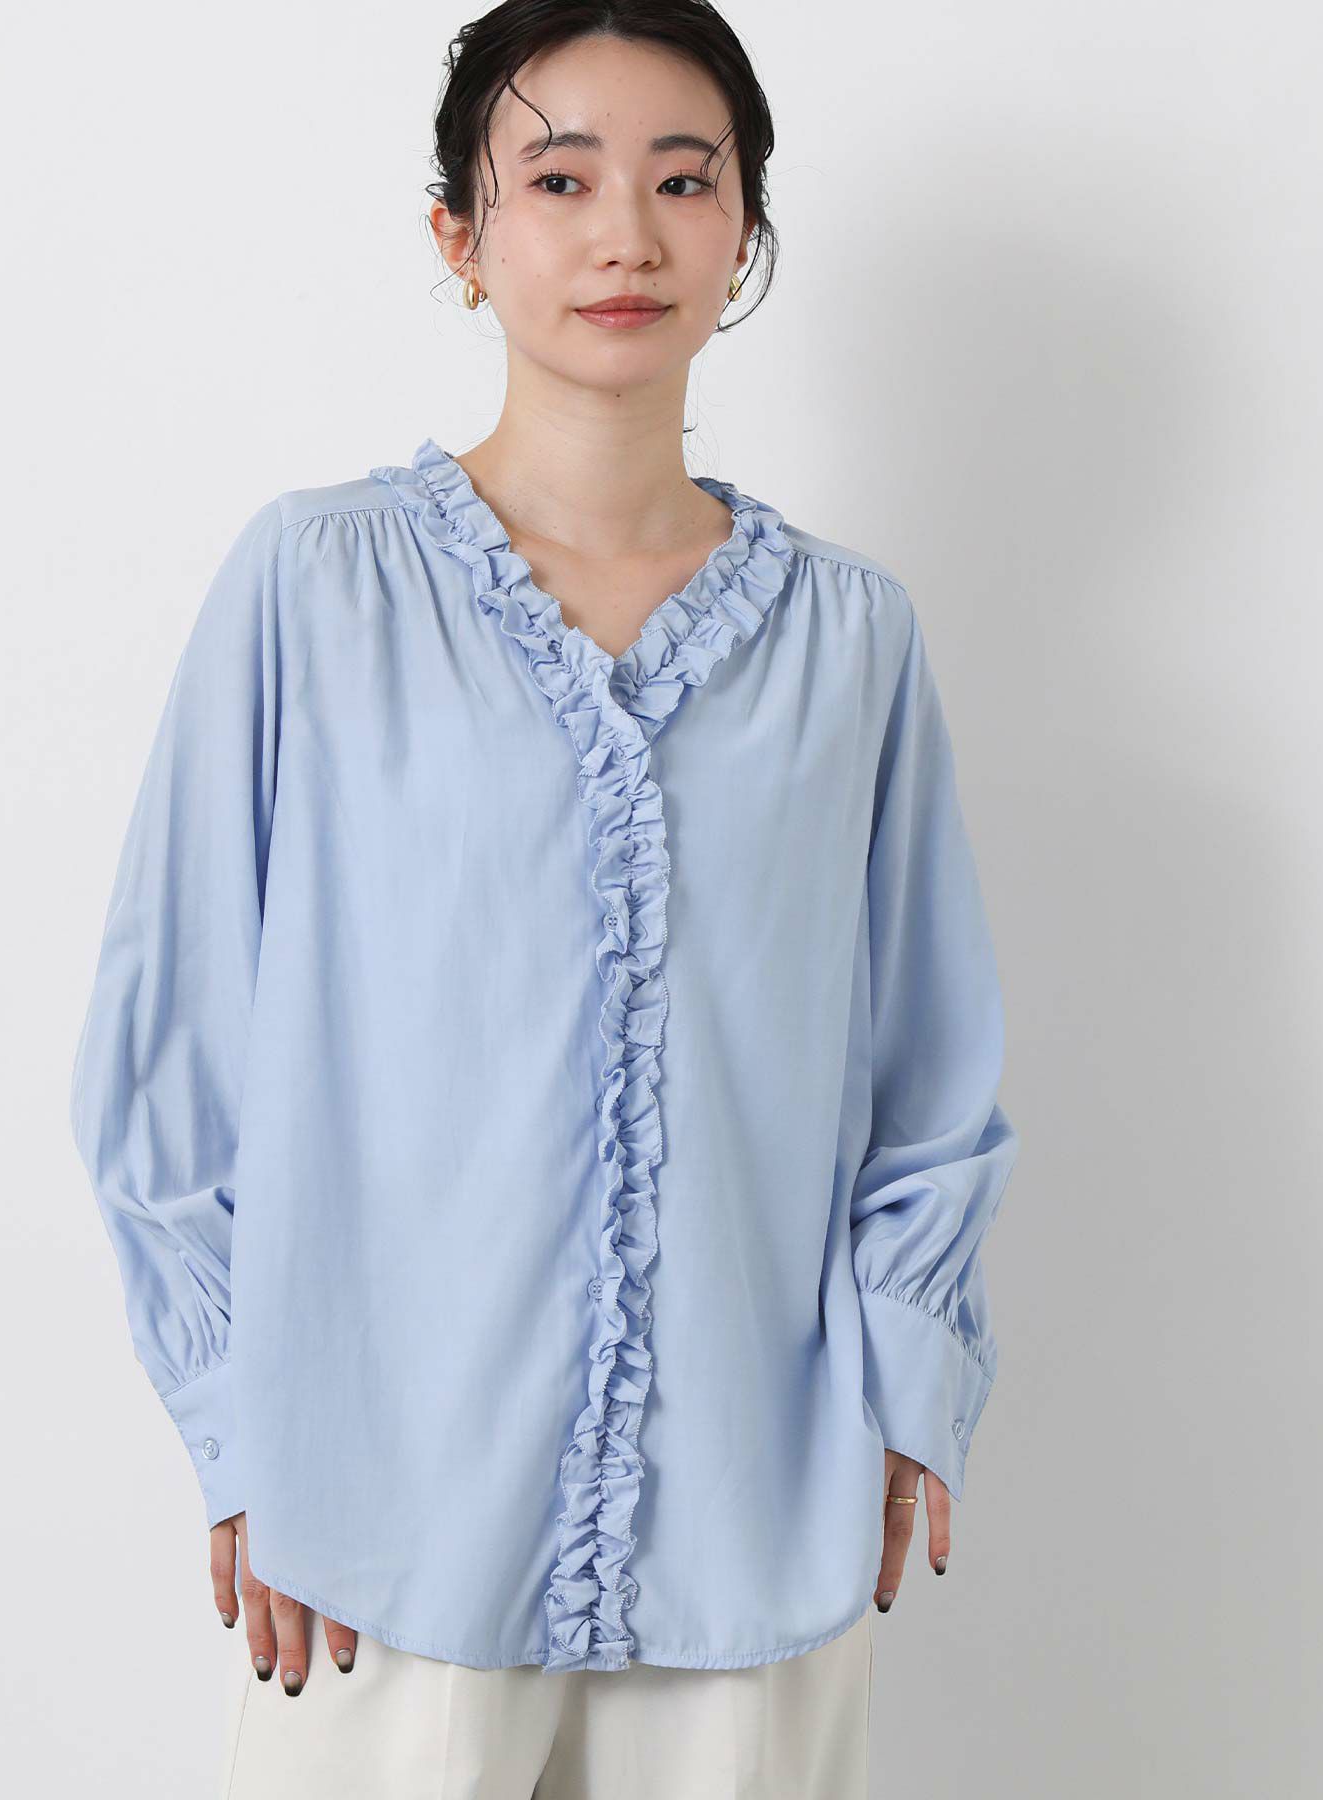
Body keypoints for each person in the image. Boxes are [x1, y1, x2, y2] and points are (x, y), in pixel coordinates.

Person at [68, 3, 1020, 1794]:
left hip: (755, 1521)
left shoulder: (852, 641)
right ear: (462, 234)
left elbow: (927, 1067)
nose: (627, 236)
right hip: (380, 1521)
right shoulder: (315, 589)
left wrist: (909, 1380)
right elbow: (171, 1047)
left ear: (745, 231)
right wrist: (239, 1421)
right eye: (561, 179)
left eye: (686, 180)